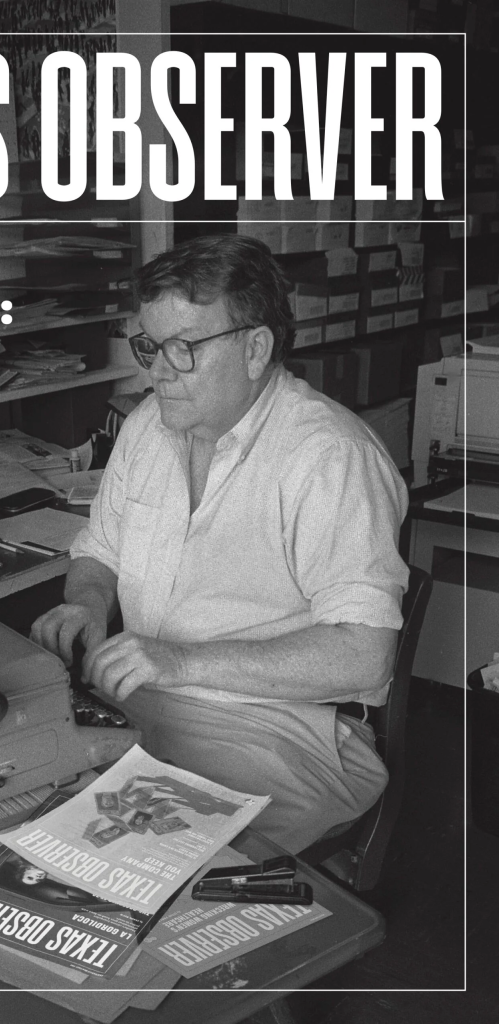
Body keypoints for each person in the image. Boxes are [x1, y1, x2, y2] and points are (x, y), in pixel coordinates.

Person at [30, 235, 409, 853]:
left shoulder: (330, 457)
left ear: (256, 348)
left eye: (184, 349)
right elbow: (98, 552)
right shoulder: (148, 427)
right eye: (150, 346)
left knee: (141, 871)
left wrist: (180, 662)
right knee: (17, 811)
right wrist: (88, 603)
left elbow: (364, 656)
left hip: (280, 729)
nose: (156, 370)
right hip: (140, 706)